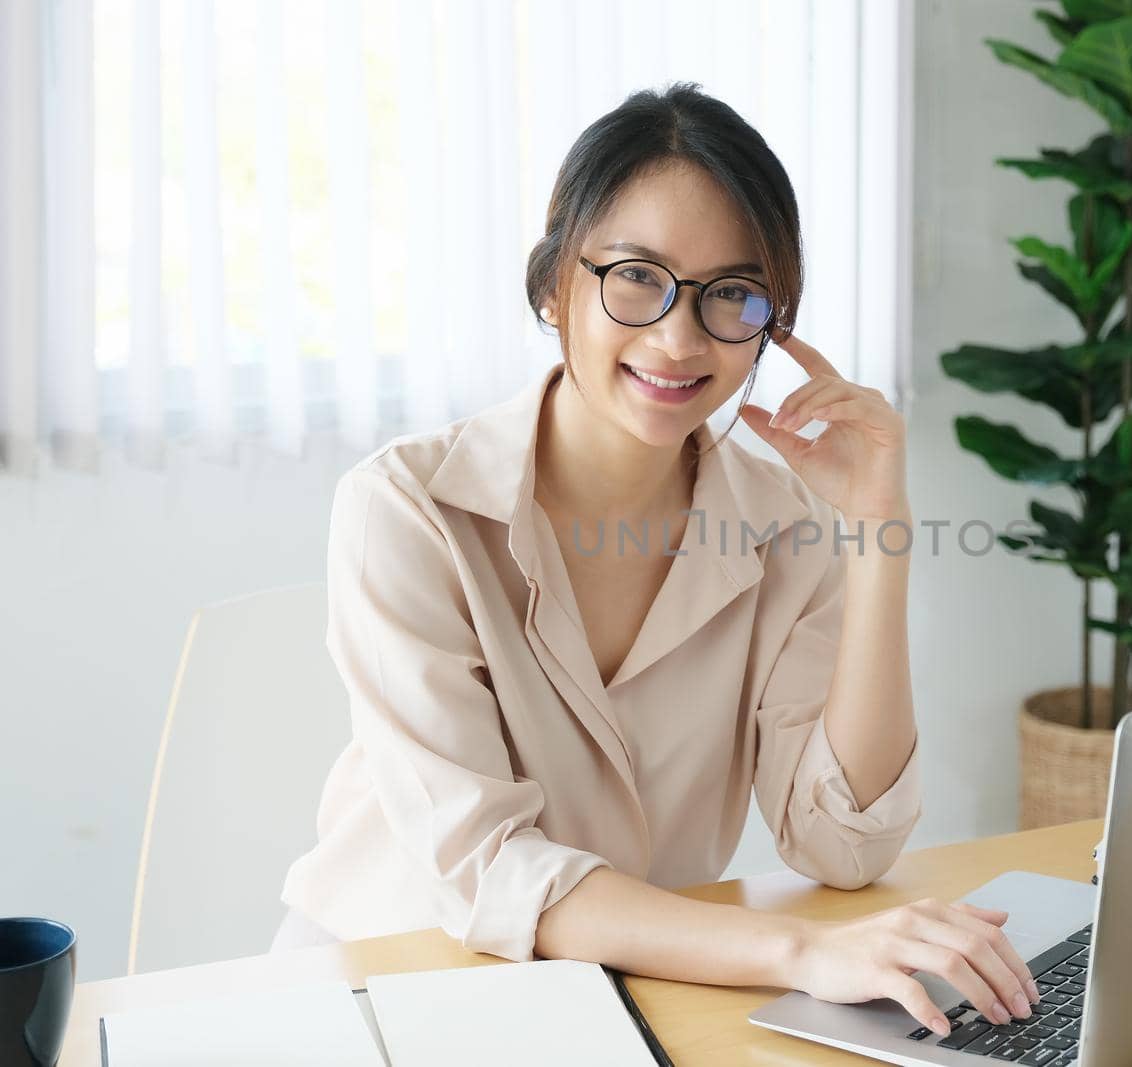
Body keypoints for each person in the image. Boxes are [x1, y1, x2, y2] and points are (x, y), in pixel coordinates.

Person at [272, 82, 1038, 1038]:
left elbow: (843, 843)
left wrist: (877, 531)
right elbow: (487, 870)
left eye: (731, 293)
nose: (679, 337)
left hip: (623, 997)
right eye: (636, 276)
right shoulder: (407, 509)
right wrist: (802, 952)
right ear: (557, 280)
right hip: (382, 996)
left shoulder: (782, 521)